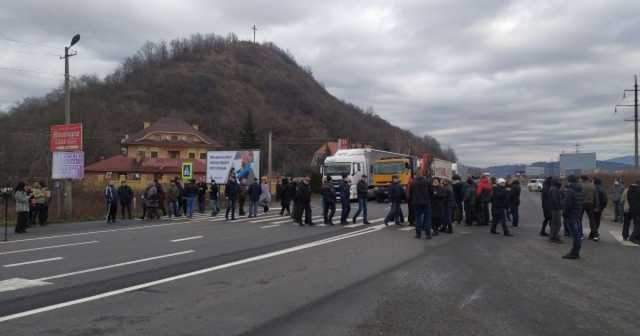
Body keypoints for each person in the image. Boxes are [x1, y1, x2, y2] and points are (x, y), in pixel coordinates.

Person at [563, 175, 585, 259]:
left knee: (575, 235)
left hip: (571, 215)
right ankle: (575, 251)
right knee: (577, 234)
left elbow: (567, 204)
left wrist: (564, 214)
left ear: (570, 181)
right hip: (577, 213)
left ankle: (574, 253)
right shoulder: (580, 189)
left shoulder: (570, 191)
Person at [410, 175, 432, 239]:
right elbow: (431, 191)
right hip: (426, 202)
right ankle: (428, 234)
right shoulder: (427, 182)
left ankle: (418, 234)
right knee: (427, 218)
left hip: (416, 203)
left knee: (417, 219)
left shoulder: (413, 182)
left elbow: (411, 192)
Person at [549, 178, 564, 243]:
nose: (560, 183)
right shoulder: (554, 189)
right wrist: (559, 208)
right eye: (558, 181)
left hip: (553, 208)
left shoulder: (553, 188)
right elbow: (555, 200)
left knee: (554, 223)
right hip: (555, 209)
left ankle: (553, 236)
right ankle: (554, 237)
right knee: (557, 224)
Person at [626, 181, 640, 245]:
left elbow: (628, 199)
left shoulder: (630, 190)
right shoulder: (638, 190)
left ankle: (637, 237)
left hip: (632, 209)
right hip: (638, 210)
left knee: (636, 223)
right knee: (638, 224)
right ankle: (633, 237)